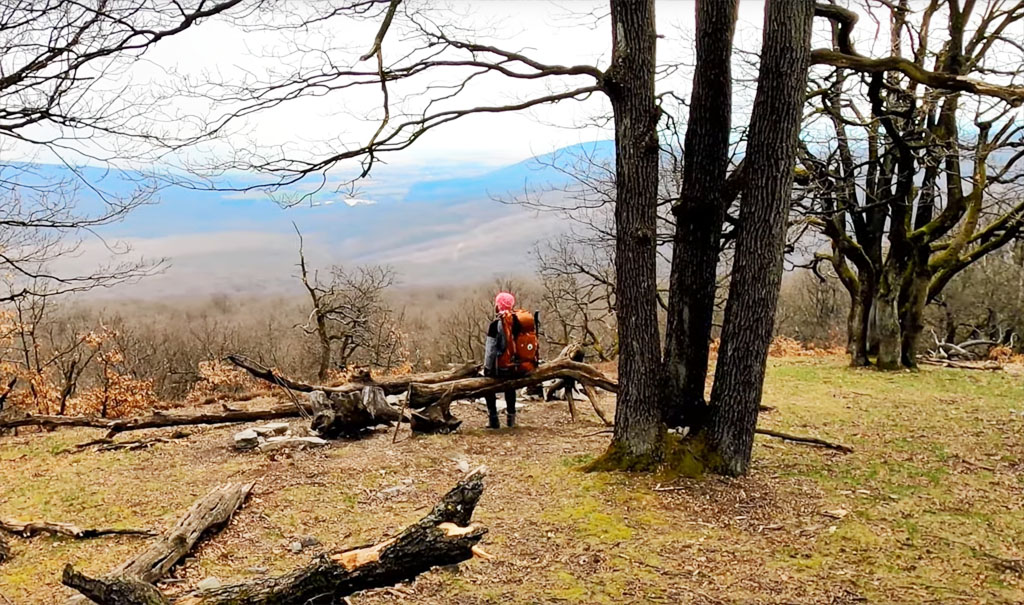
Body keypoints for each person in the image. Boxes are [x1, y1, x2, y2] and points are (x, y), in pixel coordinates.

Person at [482, 291, 539, 428]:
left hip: (502, 369)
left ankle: (493, 419)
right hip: (519, 367)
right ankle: (511, 420)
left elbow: (490, 351)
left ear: (498, 306)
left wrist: (487, 369)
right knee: (510, 389)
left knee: (486, 386)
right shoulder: (518, 321)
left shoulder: (496, 325)